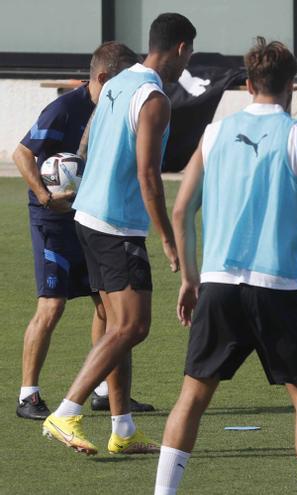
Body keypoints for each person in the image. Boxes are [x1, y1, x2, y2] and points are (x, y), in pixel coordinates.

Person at [153, 37, 297, 495]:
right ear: (292, 86)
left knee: (193, 396)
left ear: (247, 85)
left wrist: (190, 277)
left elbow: (182, 210)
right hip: (278, 289)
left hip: (219, 285)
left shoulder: (214, 133)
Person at [41, 13, 196, 456]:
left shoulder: (116, 81)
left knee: (116, 325)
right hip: (116, 224)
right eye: (190, 54)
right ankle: (67, 412)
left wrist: (78, 181)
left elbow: (87, 140)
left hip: (88, 214)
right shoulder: (154, 99)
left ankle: (123, 429)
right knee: (134, 325)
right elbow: (149, 175)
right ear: (182, 49)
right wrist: (167, 237)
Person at [14, 41, 155, 420]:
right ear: (104, 77)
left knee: (107, 306)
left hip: (91, 218)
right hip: (53, 221)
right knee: (52, 304)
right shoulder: (65, 108)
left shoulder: (113, 107)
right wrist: (45, 196)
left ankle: (104, 390)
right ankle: (28, 395)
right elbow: (22, 153)